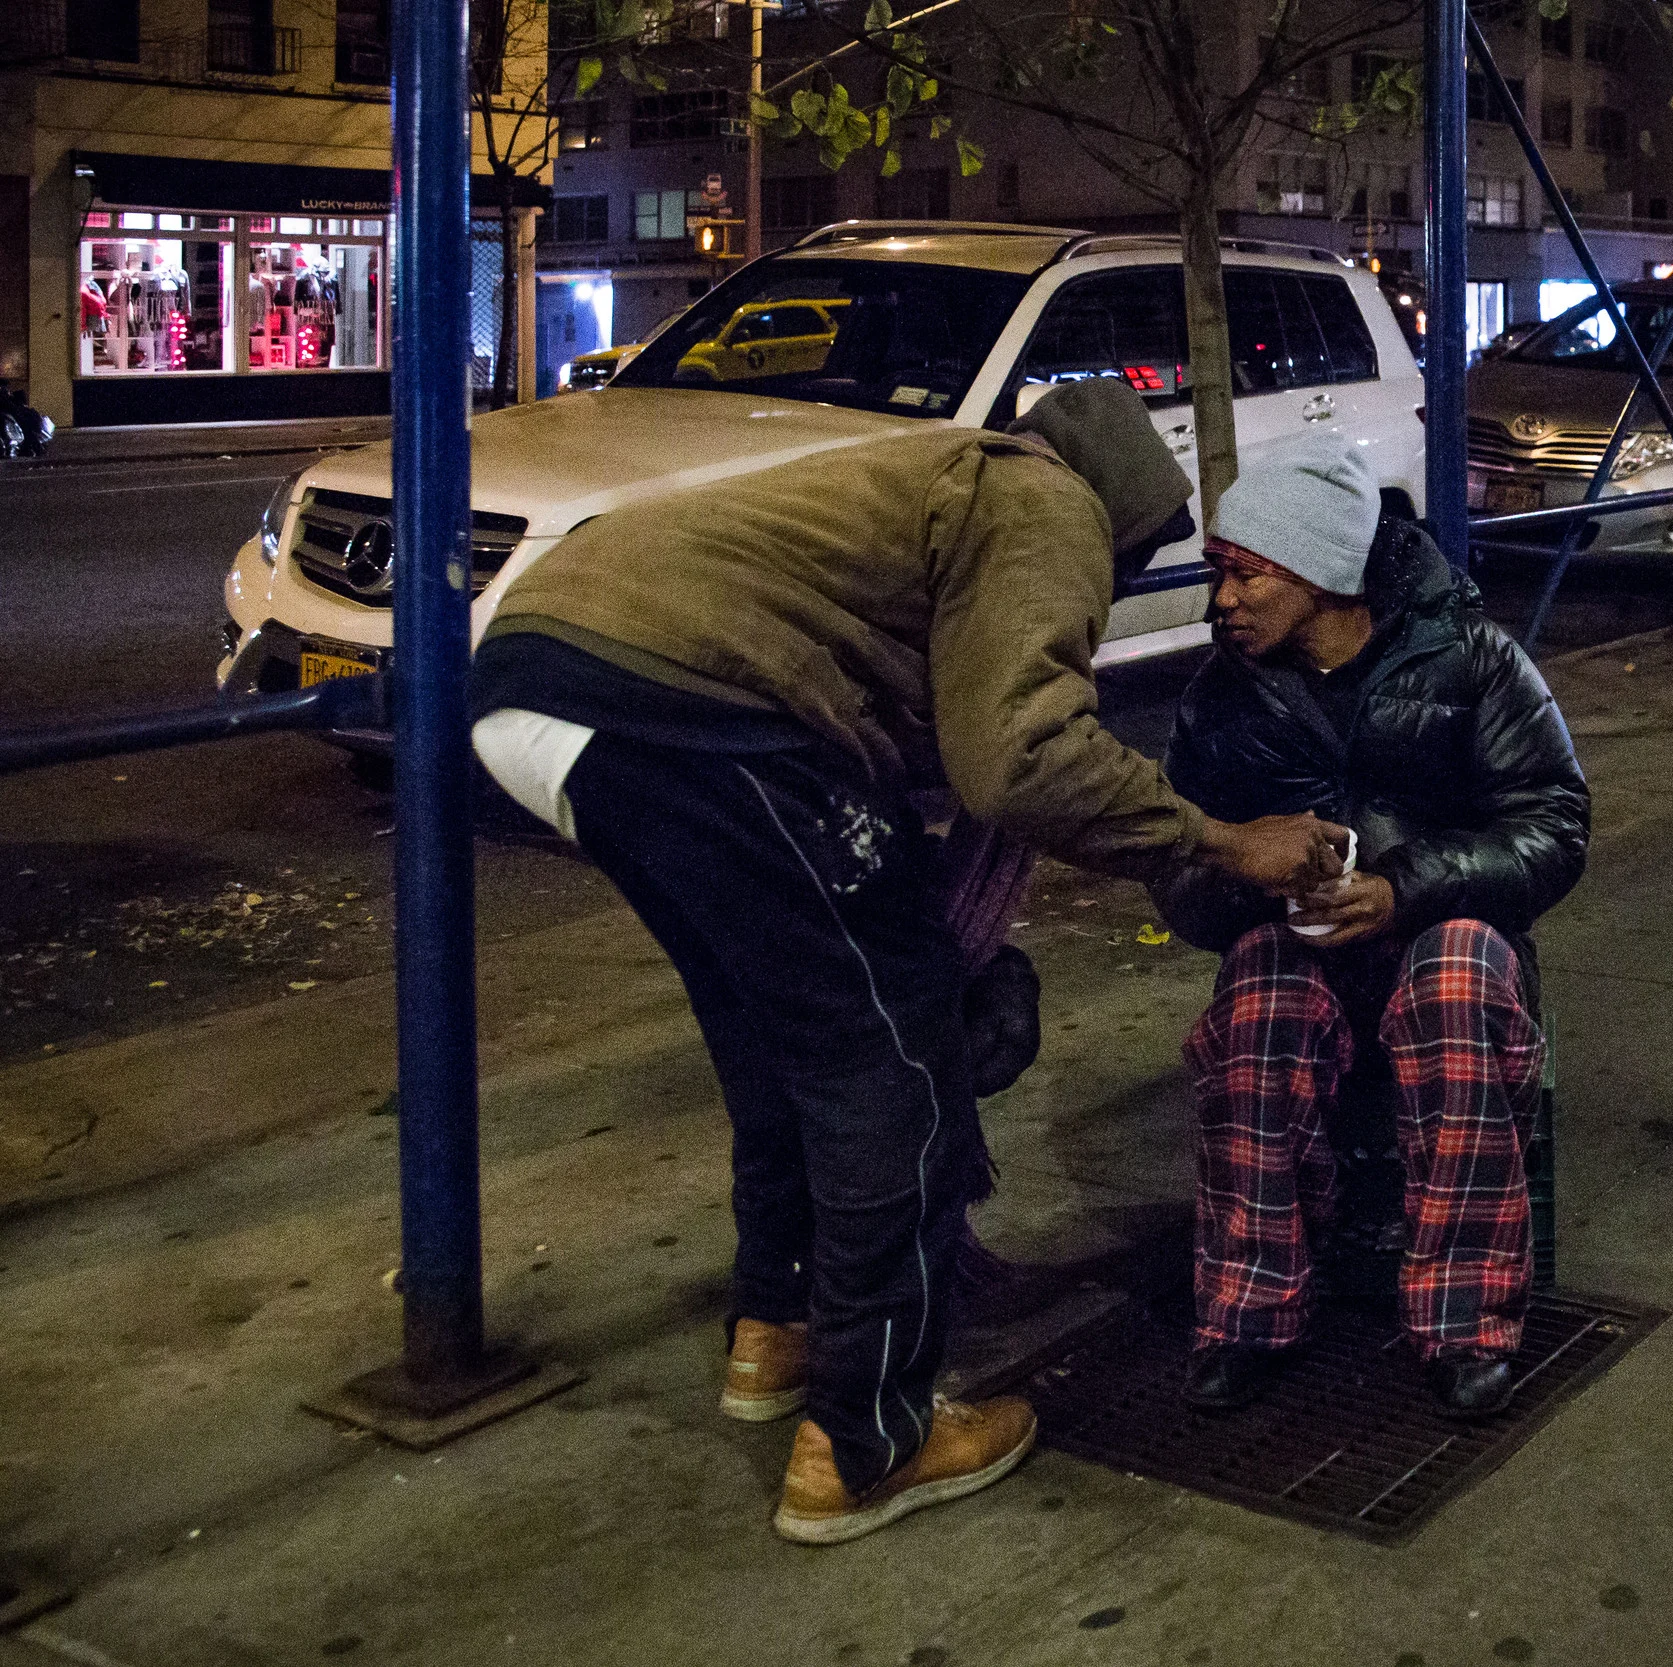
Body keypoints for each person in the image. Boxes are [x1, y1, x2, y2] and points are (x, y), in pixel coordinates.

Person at [468, 380, 1343, 1544]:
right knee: (891, 1058)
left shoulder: (939, 480)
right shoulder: (1046, 505)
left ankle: (778, 1325)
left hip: (546, 679)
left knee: (780, 1033)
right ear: (1126, 519)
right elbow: (1020, 757)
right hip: (694, 706)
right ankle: (867, 1440)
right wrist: (1228, 841)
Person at [1150, 440, 1590, 1420]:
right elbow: (1173, 868)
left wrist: (1402, 890)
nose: (1223, 599)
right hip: (1303, 946)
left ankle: (1465, 1323)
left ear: (1317, 570)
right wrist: (1253, 878)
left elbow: (1554, 826)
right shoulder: (1223, 693)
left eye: (1245, 572)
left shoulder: (1473, 661)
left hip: (1440, 932)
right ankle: (1248, 1311)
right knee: (1257, 1004)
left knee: (1455, 982)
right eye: (1221, 573)